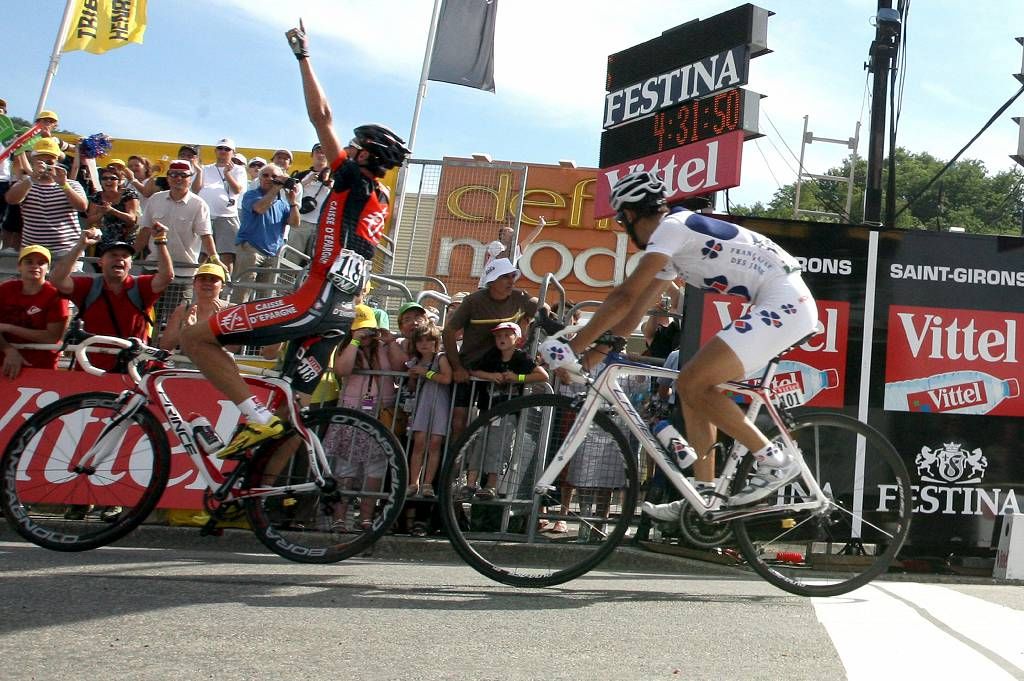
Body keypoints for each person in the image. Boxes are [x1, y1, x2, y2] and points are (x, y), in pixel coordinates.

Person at [178, 21, 411, 460]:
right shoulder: (380, 198)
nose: (348, 150)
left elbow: (321, 117)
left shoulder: (354, 181)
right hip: (340, 312)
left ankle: (252, 414)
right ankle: (260, 485)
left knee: (194, 339)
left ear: (365, 156)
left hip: (313, 301)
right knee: (290, 406)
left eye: (355, 146)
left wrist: (304, 57)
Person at [541, 170, 818, 511]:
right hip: (780, 302)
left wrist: (570, 348)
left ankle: (774, 459)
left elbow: (625, 295)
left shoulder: (672, 228)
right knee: (692, 389)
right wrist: (591, 358)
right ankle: (705, 496)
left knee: (692, 381)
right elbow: (636, 310)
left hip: (785, 304)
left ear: (631, 214)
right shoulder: (673, 243)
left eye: (622, 222)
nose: (625, 230)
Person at [443, 258, 539, 445]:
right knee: (459, 422)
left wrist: (529, 317)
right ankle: (454, 462)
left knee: (495, 425)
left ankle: (482, 464)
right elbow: (448, 332)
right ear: (492, 280)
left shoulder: (520, 297)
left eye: (512, 276)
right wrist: (457, 367)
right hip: (470, 368)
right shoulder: (473, 301)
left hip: (499, 370)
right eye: (505, 277)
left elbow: (541, 307)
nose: (511, 281)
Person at [322, 304, 399, 531]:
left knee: (375, 469)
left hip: (380, 414)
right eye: (359, 329)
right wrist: (355, 342)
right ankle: (339, 518)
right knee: (346, 467)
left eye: (368, 329)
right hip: (352, 413)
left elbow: (401, 365)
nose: (365, 334)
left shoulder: (383, 347)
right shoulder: (346, 347)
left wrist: (391, 341)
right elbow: (342, 370)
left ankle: (366, 517)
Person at [462, 321, 548, 499]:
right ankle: (470, 484)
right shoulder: (491, 356)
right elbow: (473, 370)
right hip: (487, 410)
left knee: (499, 446)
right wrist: (490, 375)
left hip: (508, 412)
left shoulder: (521, 358)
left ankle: (491, 485)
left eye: (507, 335)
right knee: (479, 444)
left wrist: (518, 377)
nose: (502, 339)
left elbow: (542, 375)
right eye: (498, 336)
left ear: (518, 339)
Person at [3, 138, 88, 259]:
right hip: (33, 250)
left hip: (66, 250)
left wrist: (64, 185)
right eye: (41, 161)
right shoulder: (25, 183)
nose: (45, 165)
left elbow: (82, 207)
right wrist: (32, 178)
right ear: (33, 162)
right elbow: (11, 199)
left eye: (49, 161)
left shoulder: (72, 184)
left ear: (57, 162)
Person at [231, 162, 300, 303]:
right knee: (242, 292)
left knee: (266, 298)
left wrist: (293, 202)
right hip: (251, 249)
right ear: (259, 178)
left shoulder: (282, 202)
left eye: (274, 176)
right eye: (265, 175)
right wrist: (275, 189)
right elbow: (260, 208)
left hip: (272, 253)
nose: (269, 179)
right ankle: (235, 316)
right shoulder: (251, 195)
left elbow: (295, 223)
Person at [0, 245, 70, 378]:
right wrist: (8, 350)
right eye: (29, 262)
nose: (35, 266)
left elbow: (52, 338)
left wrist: (9, 328)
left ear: (48, 269)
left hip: (41, 367)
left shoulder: (56, 295)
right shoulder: (5, 289)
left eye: (41, 263)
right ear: (19, 267)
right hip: (5, 363)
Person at [404, 323, 452, 500]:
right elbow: (411, 387)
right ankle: (413, 482)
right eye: (420, 341)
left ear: (436, 342)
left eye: (429, 340)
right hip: (422, 403)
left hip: (440, 403)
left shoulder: (441, 358)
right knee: (419, 442)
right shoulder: (415, 361)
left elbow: (447, 378)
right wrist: (412, 378)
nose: (424, 344)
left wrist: (427, 373)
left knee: (435, 443)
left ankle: (428, 483)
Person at [158, 262, 232, 352]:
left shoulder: (232, 311)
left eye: (213, 280)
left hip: (218, 360)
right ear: (194, 283)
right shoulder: (183, 311)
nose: (207, 283)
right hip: (187, 359)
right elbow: (165, 346)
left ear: (222, 286)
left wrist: (218, 326)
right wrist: (185, 329)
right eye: (202, 279)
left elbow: (234, 348)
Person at [197, 138, 246, 272]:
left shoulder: (239, 170)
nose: (223, 151)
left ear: (233, 152)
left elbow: (237, 190)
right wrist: (198, 171)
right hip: (204, 216)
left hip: (227, 217)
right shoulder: (205, 169)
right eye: (220, 148)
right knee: (201, 255)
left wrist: (227, 174)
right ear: (215, 151)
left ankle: (226, 284)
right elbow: (195, 189)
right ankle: (196, 281)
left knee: (226, 256)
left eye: (227, 149)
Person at [477, 217, 546, 288]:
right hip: (487, 285)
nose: (514, 234)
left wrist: (540, 226)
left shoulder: (515, 250)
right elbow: (503, 257)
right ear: (502, 235)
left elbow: (528, 240)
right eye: (509, 232)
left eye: (513, 232)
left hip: (502, 287)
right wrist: (511, 242)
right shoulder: (495, 244)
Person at [290, 142, 333, 255]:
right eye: (318, 151)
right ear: (312, 155)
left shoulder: (335, 177)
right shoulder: (302, 175)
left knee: (314, 260)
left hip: (323, 226)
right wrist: (305, 182)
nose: (321, 155)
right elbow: (289, 193)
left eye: (324, 152)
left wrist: (330, 185)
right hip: (301, 222)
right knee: (291, 258)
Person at [86, 167, 140, 250]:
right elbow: (90, 220)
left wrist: (112, 210)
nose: (108, 181)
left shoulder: (128, 194)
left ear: (119, 181)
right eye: (104, 178)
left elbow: (132, 219)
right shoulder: (96, 197)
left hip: (127, 238)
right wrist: (101, 213)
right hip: (104, 240)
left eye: (113, 178)